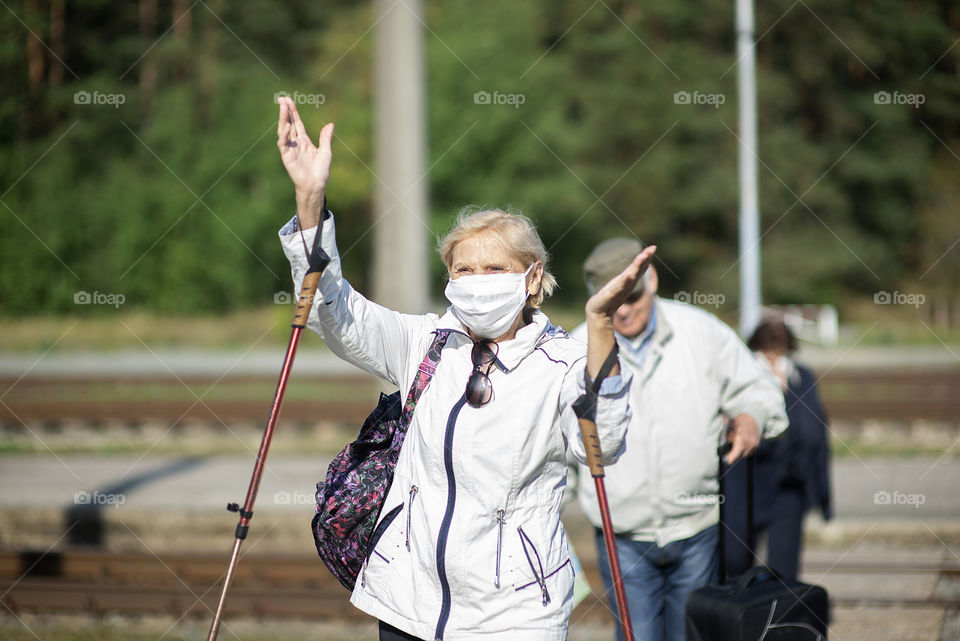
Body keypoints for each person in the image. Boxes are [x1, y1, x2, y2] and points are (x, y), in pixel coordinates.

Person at [274, 96, 657, 641]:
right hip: (409, 603)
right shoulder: (426, 343)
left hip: (514, 617)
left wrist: (600, 330)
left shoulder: (565, 361)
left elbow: (602, 445)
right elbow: (332, 309)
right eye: (464, 268)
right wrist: (310, 203)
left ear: (531, 278)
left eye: (495, 267)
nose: (477, 280)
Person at [568, 237, 788, 641]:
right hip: (623, 535)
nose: (625, 308)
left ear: (651, 280)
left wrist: (752, 416)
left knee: (691, 636)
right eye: (613, 299)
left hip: (696, 529)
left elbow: (758, 389)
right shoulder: (574, 348)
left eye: (632, 296)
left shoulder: (702, 332)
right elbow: (560, 444)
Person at [723, 317, 832, 583]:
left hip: (788, 483)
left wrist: (821, 493)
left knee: (785, 568)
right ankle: (740, 617)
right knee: (735, 562)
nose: (774, 361)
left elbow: (816, 430)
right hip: (743, 482)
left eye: (779, 354)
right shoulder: (740, 374)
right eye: (768, 353)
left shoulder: (801, 376)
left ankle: (781, 620)